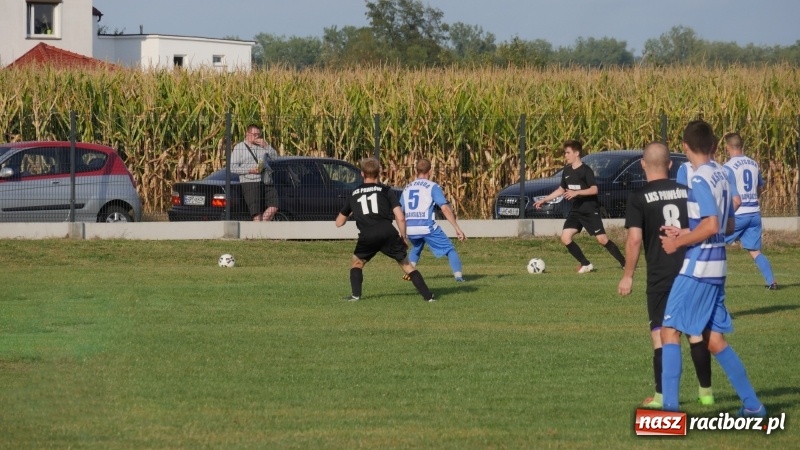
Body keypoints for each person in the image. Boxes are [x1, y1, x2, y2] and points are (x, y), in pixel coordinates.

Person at [659, 120, 765, 417]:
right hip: (718, 265)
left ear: (684, 147)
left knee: (669, 330)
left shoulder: (700, 178)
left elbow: (712, 224)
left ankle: (669, 413)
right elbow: (728, 224)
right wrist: (684, 232)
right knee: (714, 340)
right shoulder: (722, 172)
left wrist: (679, 243)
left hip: (699, 266)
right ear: (715, 146)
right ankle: (753, 406)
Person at [617, 142, 714, 409]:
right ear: (671, 165)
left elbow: (635, 240)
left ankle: (661, 397)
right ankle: (706, 393)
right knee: (695, 332)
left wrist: (628, 276)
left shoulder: (638, 197)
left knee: (660, 335)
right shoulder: (688, 192)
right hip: (691, 271)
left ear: (643, 165)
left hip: (660, 276)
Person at [336, 157, 436, 302]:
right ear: (379, 173)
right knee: (407, 265)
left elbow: (339, 222)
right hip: (387, 232)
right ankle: (428, 297)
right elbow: (400, 217)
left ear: (362, 174)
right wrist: (403, 237)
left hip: (367, 235)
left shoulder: (354, 193)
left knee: (357, 263)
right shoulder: (386, 191)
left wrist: (352, 211)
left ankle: (355, 296)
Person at [533, 140, 626, 273]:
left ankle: (625, 263)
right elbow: (561, 189)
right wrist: (544, 200)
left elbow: (594, 189)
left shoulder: (586, 171)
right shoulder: (567, 171)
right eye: (565, 153)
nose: (565, 155)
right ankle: (585, 264)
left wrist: (576, 192)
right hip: (576, 210)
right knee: (565, 237)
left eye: (568, 153)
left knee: (602, 240)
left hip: (590, 210)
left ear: (576, 153)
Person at [723, 132, 778, 290]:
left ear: (728, 147)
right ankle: (771, 281)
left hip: (738, 213)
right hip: (754, 212)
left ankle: (710, 282)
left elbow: (727, 192)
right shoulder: (754, 164)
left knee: (715, 242)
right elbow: (760, 188)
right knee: (755, 250)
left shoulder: (728, 167)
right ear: (742, 146)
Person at [400, 159, 467, 282]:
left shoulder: (407, 188)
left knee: (417, 247)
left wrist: (402, 232)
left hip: (410, 228)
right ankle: (459, 277)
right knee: (449, 249)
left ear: (416, 171)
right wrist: (457, 228)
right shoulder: (432, 186)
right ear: (430, 171)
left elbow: (400, 210)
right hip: (426, 226)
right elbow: (445, 208)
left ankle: (410, 272)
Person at [231, 124, 279, 221]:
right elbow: (232, 167)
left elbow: (275, 157)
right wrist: (249, 170)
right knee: (256, 211)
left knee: (274, 205)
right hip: (249, 181)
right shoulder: (239, 148)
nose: (256, 137)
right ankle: (258, 232)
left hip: (265, 180)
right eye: (254, 134)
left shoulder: (262, 146)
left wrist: (266, 146)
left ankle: (263, 225)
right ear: (247, 134)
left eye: (258, 134)